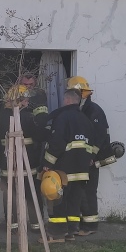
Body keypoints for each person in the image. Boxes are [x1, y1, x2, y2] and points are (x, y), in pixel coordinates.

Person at [0, 85, 44, 235]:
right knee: (32, 194)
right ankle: (36, 225)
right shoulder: (28, 116)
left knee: (9, 195)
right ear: (17, 100)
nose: (27, 101)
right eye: (25, 98)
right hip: (29, 163)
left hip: (7, 163)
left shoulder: (0, 117)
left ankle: (12, 227)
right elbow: (40, 135)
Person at [41, 89, 96, 242]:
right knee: (74, 202)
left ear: (66, 100)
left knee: (58, 201)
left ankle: (58, 234)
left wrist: (47, 163)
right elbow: (91, 144)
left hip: (63, 169)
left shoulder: (62, 117)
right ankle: (71, 232)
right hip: (82, 171)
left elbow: (57, 142)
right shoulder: (85, 119)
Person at [67, 76, 115, 237]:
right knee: (81, 191)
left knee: (88, 191)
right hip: (82, 159)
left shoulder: (93, 111)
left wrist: (91, 155)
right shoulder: (81, 110)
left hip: (91, 160)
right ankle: (83, 223)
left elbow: (99, 137)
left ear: (81, 94)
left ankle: (90, 225)